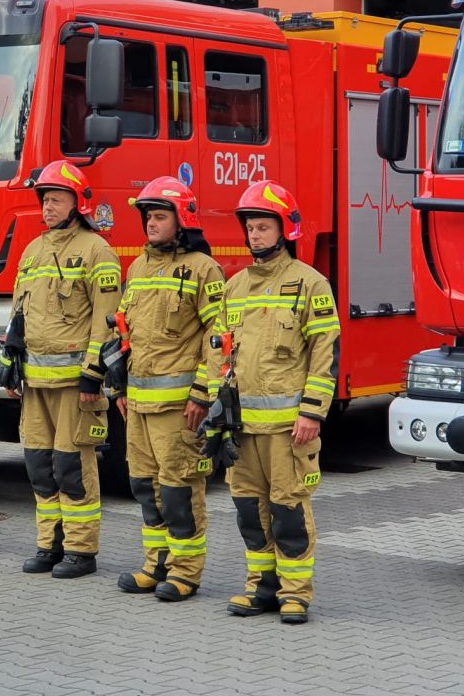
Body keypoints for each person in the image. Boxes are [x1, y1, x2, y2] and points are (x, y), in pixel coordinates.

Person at [220, 180, 339, 625]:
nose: (255, 235)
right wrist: (216, 408)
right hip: (242, 429)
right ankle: (261, 588)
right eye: (251, 227)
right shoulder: (234, 287)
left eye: (264, 227)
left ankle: (295, 594)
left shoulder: (310, 283)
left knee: (288, 511)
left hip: (289, 429)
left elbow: (325, 353)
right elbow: (220, 354)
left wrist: (312, 412)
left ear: (285, 229)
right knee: (250, 512)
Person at [6, 160, 121, 578]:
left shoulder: (97, 250)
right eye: (45, 200)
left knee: (73, 467)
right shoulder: (33, 250)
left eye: (56, 199)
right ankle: (48, 545)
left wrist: (93, 374)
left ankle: (80, 550)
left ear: (78, 203)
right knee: (39, 465)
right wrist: (12, 363)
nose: (48, 207)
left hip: (75, 385)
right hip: (35, 384)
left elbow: (106, 321)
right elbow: (19, 314)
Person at [114, 177, 224, 601]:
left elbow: (218, 337)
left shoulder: (203, 269)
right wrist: (118, 387)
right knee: (145, 487)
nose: (151, 224)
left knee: (179, 489)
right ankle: (155, 564)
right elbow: (124, 334)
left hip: (179, 406)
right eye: (148, 217)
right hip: (138, 405)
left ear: (183, 221)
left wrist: (202, 393)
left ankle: (185, 572)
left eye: (160, 216)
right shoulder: (138, 268)